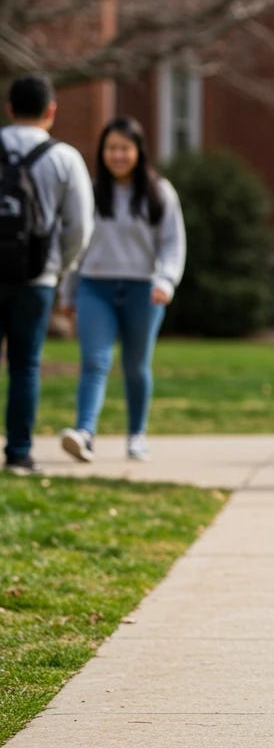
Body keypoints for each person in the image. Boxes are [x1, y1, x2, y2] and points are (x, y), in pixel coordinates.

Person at [58, 117, 186, 463]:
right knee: (94, 361)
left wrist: (165, 281)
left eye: (124, 148)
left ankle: (136, 434)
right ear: (102, 152)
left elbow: (173, 245)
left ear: (138, 152)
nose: (117, 155)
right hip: (94, 287)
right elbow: (76, 246)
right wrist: (68, 294)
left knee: (136, 365)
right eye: (111, 148)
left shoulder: (160, 194)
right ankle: (84, 432)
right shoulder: (91, 192)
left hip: (143, 291)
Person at [0, 74, 94, 474]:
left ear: (8, 109)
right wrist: (61, 266)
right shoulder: (64, 158)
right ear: (51, 111)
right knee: (25, 364)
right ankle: (19, 453)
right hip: (36, 277)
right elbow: (80, 227)